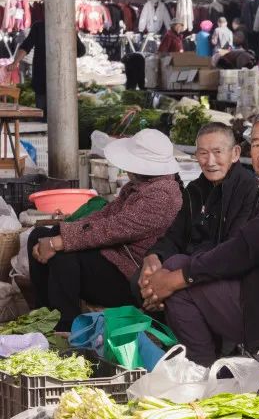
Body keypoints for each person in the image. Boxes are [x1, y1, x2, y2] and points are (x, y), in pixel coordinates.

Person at [154, 108, 259, 366]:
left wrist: (181, 278)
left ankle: (202, 372)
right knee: (175, 266)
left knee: (178, 283)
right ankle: (205, 368)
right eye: (256, 145)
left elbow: (244, 248)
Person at [27, 130, 182, 332]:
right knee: (39, 236)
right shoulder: (141, 185)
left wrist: (59, 242)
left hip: (128, 274)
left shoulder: (163, 196)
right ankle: (44, 315)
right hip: (111, 255)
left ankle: (65, 327)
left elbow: (112, 228)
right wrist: (64, 232)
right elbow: (104, 215)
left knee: (63, 256)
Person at [138, 123, 257, 307]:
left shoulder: (250, 190)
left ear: (235, 153)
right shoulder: (195, 189)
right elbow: (174, 236)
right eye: (203, 153)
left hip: (216, 272)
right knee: (142, 279)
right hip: (188, 268)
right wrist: (154, 257)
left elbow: (232, 249)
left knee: (171, 274)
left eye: (218, 152)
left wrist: (175, 274)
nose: (210, 162)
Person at [5, 21, 86, 114]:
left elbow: (81, 51)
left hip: (60, 80)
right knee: (44, 114)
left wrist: (73, 36)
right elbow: (26, 46)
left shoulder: (66, 27)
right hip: (44, 78)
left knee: (56, 114)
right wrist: (15, 62)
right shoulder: (39, 27)